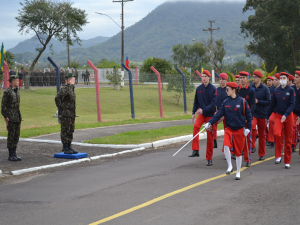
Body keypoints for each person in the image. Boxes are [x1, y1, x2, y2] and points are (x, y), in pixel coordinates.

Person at [205, 82, 252, 180]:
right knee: (226, 145)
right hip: (229, 129)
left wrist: (248, 128)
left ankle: (238, 172)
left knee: (238, 153)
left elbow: (249, 116)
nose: (226, 91)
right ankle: (230, 166)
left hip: (239, 130)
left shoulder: (243, 101)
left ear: (233, 90)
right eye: (226, 89)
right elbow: (218, 114)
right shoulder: (225, 102)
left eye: (228, 89)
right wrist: (210, 122)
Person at [267, 72, 295, 169]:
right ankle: (278, 155)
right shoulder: (276, 90)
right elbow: (272, 104)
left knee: (288, 139)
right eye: (281, 78)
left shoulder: (291, 90)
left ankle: (287, 161)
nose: (282, 79)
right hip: (278, 115)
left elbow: (292, 104)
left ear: (287, 79)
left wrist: (286, 114)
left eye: (284, 78)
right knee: (277, 134)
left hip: (288, 116)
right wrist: (267, 116)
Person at [190, 70, 217, 166]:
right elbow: (196, 102)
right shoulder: (199, 89)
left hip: (210, 115)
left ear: (209, 77)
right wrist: (194, 112)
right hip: (201, 115)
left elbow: (214, 105)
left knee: (210, 137)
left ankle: (209, 158)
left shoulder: (213, 89)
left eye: (205, 76)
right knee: (196, 127)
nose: (204, 78)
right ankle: (195, 150)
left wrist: (203, 110)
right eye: (202, 76)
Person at [55, 73, 78, 154]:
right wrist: (62, 107)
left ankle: (69, 146)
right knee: (65, 130)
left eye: (74, 80)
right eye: (73, 80)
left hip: (71, 113)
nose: (74, 81)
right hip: (66, 113)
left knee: (70, 130)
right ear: (68, 80)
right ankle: (65, 147)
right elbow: (57, 98)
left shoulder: (71, 89)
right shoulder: (65, 88)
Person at [1, 75, 22, 161]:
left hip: (17, 117)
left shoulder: (17, 91)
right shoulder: (7, 92)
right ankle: (11, 155)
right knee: (11, 136)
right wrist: (6, 116)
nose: (18, 82)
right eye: (17, 81)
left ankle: (14, 153)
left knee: (16, 136)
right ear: (12, 82)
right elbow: (3, 106)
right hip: (11, 117)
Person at [251, 70, 271, 160]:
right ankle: (253, 145)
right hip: (253, 113)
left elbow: (268, 101)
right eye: (253, 76)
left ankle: (262, 154)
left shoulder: (265, 88)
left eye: (255, 77)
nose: (253, 78)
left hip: (262, 113)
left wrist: (258, 101)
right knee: (252, 127)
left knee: (262, 134)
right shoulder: (251, 88)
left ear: (260, 78)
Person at [238, 71, 256, 166]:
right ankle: (238, 157)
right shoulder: (237, 89)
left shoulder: (251, 90)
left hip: (247, 117)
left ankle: (248, 159)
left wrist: (248, 117)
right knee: (239, 139)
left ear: (247, 79)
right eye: (240, 77)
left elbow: (253, 105)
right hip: (238, 118)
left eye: (244, 77)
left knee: (247, 139)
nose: (242, 79)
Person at [214, 73, 228, 148]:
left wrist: (223, 115)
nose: (221, 81)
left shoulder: (228, 90)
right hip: (219, 111)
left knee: (227, 130)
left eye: (223, 79)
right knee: (213, 122)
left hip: (227, 112)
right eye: (220, 79)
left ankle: (225, 147)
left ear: (226, 80)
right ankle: (214, 140)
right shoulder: (217, 90)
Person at [266, 74, 280, 148]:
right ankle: (271, 140)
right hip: (273, 111)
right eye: (273, 80)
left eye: (275, 80)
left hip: (281, 112)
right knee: (271, 121)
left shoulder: (282, 89)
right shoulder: (271, 90)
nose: (274, 81)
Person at [291, 71, 300, 152]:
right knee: (292, 128)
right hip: (293, 112)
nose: (295, 78)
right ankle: (293, 144)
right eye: (295, 77)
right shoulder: (292, 88)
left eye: (297, 77)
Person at [265, 76, 275, 147]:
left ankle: (272, 140)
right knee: (265, 125)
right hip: (265, 109)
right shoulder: (265, 89)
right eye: (267, 80)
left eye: (270, 80)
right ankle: (267, 139)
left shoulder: (274, 89)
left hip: (272, 110)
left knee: (271, 123)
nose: (268, 82)